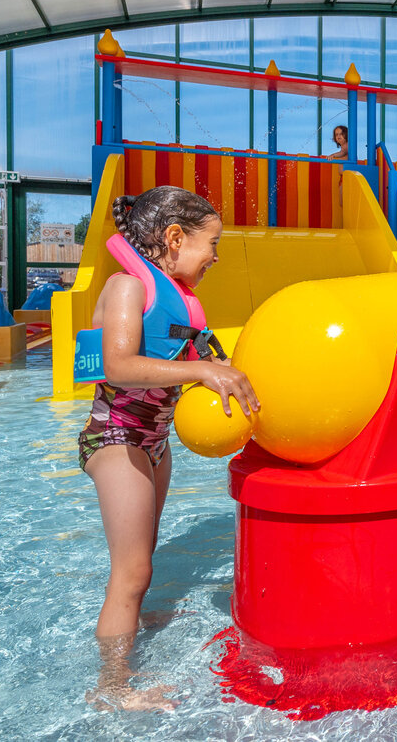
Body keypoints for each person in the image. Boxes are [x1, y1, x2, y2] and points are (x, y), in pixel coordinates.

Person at [80, 185, 259, 710]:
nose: (217, 256)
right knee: (130, 571)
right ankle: (111, 688)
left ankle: (135, 615)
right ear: (175, 239)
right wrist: (202, 368)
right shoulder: (126, 288)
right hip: (116, 437)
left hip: (153, 442)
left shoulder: (173, 294)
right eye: (213, 243)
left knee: (144, 559)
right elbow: (118, 366)